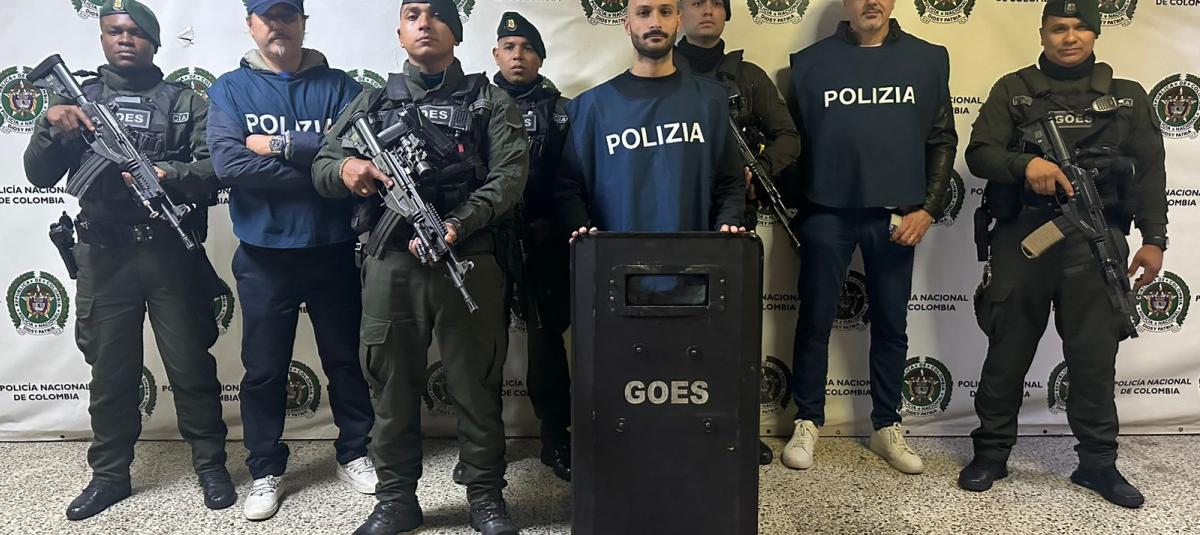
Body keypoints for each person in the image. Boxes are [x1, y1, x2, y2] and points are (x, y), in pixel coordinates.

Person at [311, 0, 529, 533]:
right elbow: (323, 165)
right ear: (400, 32)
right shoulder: (371, 101)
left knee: (476, 387)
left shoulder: (489, 100)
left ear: (456, 31)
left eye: (436, 14)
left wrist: (458, 221)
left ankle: (485, 497)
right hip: (391, 262)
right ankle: (395, 500)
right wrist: (348, 168)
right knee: (391, 388)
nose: (424, 23)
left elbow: (508, 177)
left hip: (467, 256)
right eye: (412, 14)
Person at [22, 0, 233, 520]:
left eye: (136, 32)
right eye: (114, 30)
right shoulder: (78, 101)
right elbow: (38, 175)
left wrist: (164, 174)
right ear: (102, 38)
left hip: (169, 251)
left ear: (154, 42)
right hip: (103, 254)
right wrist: (50, 125)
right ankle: (110, 475)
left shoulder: (186, 103)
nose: (124, 39)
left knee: (191, 367)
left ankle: (211, 466)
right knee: (111, 373)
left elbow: (216, 168)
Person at [959, 0, 1167, 509]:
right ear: (1043, 33)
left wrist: (1154, 240)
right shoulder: (1014, 90)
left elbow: (1151, 172)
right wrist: (1025, 165)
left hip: (1096, 242)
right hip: (1025, 241)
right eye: (1058, 28)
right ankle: (991, 454)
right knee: (1007, 353)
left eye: (1079, 28)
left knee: (1093, 359)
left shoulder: (1127, 97)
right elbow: (980, 153)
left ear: (1094, 34)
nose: (1069, 37)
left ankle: (1097, 464)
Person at [206, 0, 377, 520]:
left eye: (287, 14)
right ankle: (264, 468)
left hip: (332, 250)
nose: (277, 24)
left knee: (345, 360)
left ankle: (355, 451)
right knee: (263, 370)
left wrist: (275, 144)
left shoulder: (342, 87)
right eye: (267, 16)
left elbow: (359, 161)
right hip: (263, 256)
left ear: (303, 22)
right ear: (251, 24)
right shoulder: (230, 88)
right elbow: (230, 165)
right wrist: (323, 168)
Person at [782, 0, 956, 474]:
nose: (870, 2)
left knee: (892, 324)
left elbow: (942, 138)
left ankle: (886, 424)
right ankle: (807, 419)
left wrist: (929, 207)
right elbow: (794, 145)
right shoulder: (809, 63)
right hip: (826, 212)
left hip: (896, 216)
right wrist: (795, 210)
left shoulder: (927, 58)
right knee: (814, 320)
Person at [674, 0, 801, 465]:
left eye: (716, 4)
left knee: (734, 329)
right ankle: (675, 427)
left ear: (726, 15)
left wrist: (758, 169)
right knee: (672, 328)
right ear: (678, 13)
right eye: (695, 3)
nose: (706, 11)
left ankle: (737, 426)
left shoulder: (749, 78)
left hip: (733, 219)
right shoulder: (661, 69)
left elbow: (788, 137)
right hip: (674, 217)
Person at [556, 0, 747, 241]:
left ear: (678, 20)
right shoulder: (590, 109)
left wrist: (728, 223)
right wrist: (584, 234)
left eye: (665, 12)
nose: (655, 22)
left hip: (694, 260)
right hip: (616, 261)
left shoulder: (710, 101)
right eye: (644, 13)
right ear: (627, 24)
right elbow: (569, 187)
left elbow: (731, 181)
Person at [491, 11, 573, 482]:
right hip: (489, 241)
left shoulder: (563, 111)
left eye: (527, 48)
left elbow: (574, 179)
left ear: (540, 58)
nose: (517, 55)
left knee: (546, 344)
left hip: (544, 242)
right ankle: (484, 445)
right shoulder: (476, 105)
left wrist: (554, 225)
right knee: (484, 344)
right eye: (509, 47)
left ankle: (556, 437)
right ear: (496, 55)